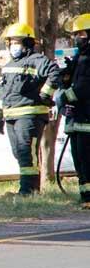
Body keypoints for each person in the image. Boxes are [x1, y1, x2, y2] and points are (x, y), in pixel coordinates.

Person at [0, 22, 61, 195]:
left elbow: (54, 72)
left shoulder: (36, 60)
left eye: (17, 41)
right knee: (19, 153)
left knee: (26, 153)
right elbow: (4, 92)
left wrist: (46, 95)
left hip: (29, 115)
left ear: (28, 43)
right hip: (11, 116)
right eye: (11, 42)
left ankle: (28, 191)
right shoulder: (9, 65)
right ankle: (29, 189)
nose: (13, 46)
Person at [59, 14, 90, 208]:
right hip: (77, 120)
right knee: (80, 161)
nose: (77, 37)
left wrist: (66, 95)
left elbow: (85, 87)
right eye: (76, 34)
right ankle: (85, 197)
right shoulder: (81, 57)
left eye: (81, 33)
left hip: (87, 119)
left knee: (87, 160)